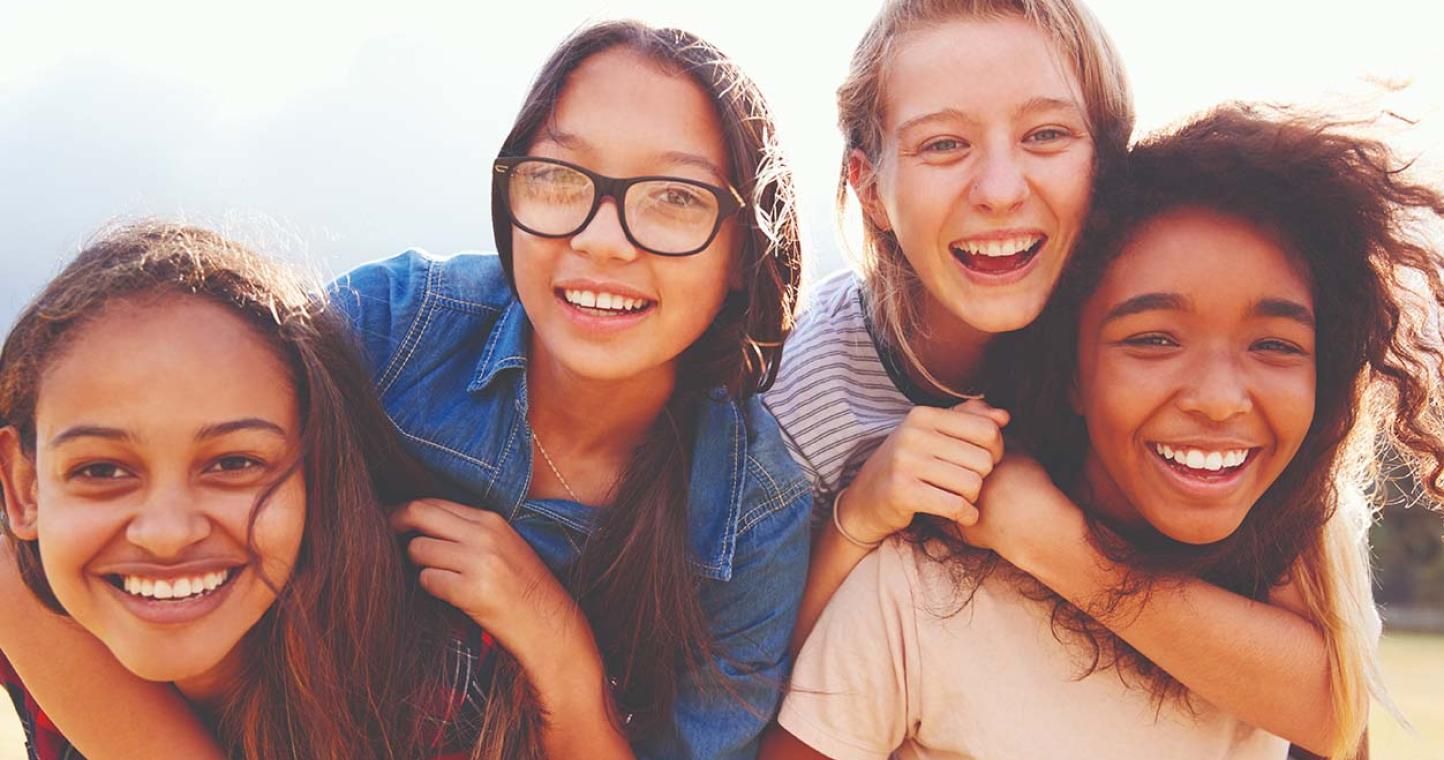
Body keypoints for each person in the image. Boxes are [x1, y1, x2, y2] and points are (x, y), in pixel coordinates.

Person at [765, 1, 1372, 751]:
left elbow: (1335, 710)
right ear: (867, 187)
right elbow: (739, 697)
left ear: (1108, 164)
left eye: (1047, 135)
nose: (998, 188)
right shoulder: (796, 391)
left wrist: (1055, 543)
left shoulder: (1181, 363)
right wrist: (859, 514)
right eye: (943, 144)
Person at [332, 19, 810, 759]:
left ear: (746, 251)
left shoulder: (752, 519)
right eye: (558, 177)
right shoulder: (390, 331)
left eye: (675, 198)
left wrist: (559, 650)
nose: (602, 240)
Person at [0, 222, 509, 759]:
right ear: (23, 488)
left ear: (318, 473)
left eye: (234, 462)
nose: (167, 534)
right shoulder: (30, 618)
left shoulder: (442, 688)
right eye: (101, 471)